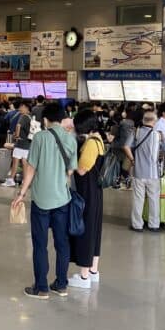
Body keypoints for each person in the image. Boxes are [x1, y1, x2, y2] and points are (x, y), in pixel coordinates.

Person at [12, 103, 77, 299]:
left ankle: (41, 288)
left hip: (41, 199)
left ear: (45, 120)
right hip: (62, 199)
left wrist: (21, 193)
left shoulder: (40, 137)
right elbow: (70, 171)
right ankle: (61, 284)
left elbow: (30, 169)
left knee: (40, 244)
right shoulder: (70, 139)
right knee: (62, 243)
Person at [68, 109, 105, 289]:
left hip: (87, 192)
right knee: (95, 231)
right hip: (95, 192)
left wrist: (70, 161)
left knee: (86, 230)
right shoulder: (99, 140)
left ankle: (83, 277)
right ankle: (93, 271)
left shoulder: (91, 143)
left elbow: (82, 170)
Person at [131, 111, 163, 231]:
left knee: (138, 199)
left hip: (139, 171)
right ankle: (154, 224)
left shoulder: (136, 132)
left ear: (144, 120)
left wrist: (132, 159)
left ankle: (137, 224)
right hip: (153, 173)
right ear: (154, 121)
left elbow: (126, 146)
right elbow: (163, 150)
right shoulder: (157, 135)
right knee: (154, 199)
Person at [4, 99, 33, 188]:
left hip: (20, 143)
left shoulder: (23, 116)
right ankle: (25, 181)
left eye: (21, 107)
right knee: (25, 163)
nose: (20, 109)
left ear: (25, 107)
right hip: (27, 143)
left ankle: (11, 180)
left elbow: (18, 126)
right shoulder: (29, 117)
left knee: (15, 162)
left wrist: (16, 136)